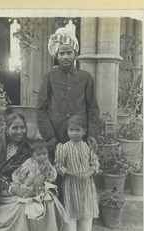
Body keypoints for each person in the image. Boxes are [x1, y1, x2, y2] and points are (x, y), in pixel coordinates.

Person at [0, 113, 70, 231]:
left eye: (22, 127)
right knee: (22, 208)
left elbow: (46, 166)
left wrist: (41, 176)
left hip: (33, 187)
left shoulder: (32, 148)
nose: (19, 131)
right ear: (7, 129)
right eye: (15, 128)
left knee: (48, 200)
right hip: (8, 190)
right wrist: (14, 189)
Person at [36, 27, 100, 155]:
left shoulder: (86, 77)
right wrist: (50, 136)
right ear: (56, 55)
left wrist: (91, 134)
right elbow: (40, 108)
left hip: (79, 135)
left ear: (75, 53)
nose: (65, 57)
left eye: (69, 53)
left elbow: (93, 108)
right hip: (56, 135)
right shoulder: (50, 77)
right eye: (61, 53)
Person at [54, 115, 100, 231]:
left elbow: (95, 163)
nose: (74, 133)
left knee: (87, 208)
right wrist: (73, 174)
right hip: (71, 183)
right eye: (71, 130)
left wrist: (88, 173)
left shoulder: (88, 147)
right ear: (67, 132)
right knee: (71, 209)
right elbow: (58, 165)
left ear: (84, 131)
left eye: (77, 130)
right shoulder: (63, 148)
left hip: (86, 184)